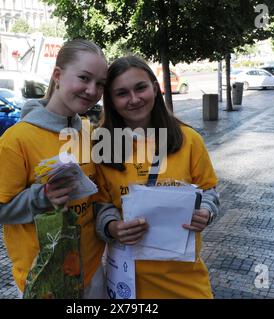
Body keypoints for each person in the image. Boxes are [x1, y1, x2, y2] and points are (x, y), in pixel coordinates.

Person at [0, 39, 108, 298]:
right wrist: (42, 197)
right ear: (57, 76)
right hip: (45, 280)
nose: (92, 90)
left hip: (93, 273)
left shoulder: (89, 133)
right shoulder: (16, 140)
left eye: (100, 83)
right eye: (84, 77)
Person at [94, 55, 220, 298]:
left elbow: (209, 191)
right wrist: (112, 227)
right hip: (126, 279)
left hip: (184, 276)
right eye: (121, 93)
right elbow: (100, 204)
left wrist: (206, 212)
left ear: (154, 87)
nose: (134, 99)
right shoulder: (102, 146)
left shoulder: (188, 140)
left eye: (140, 87)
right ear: (110, 100)